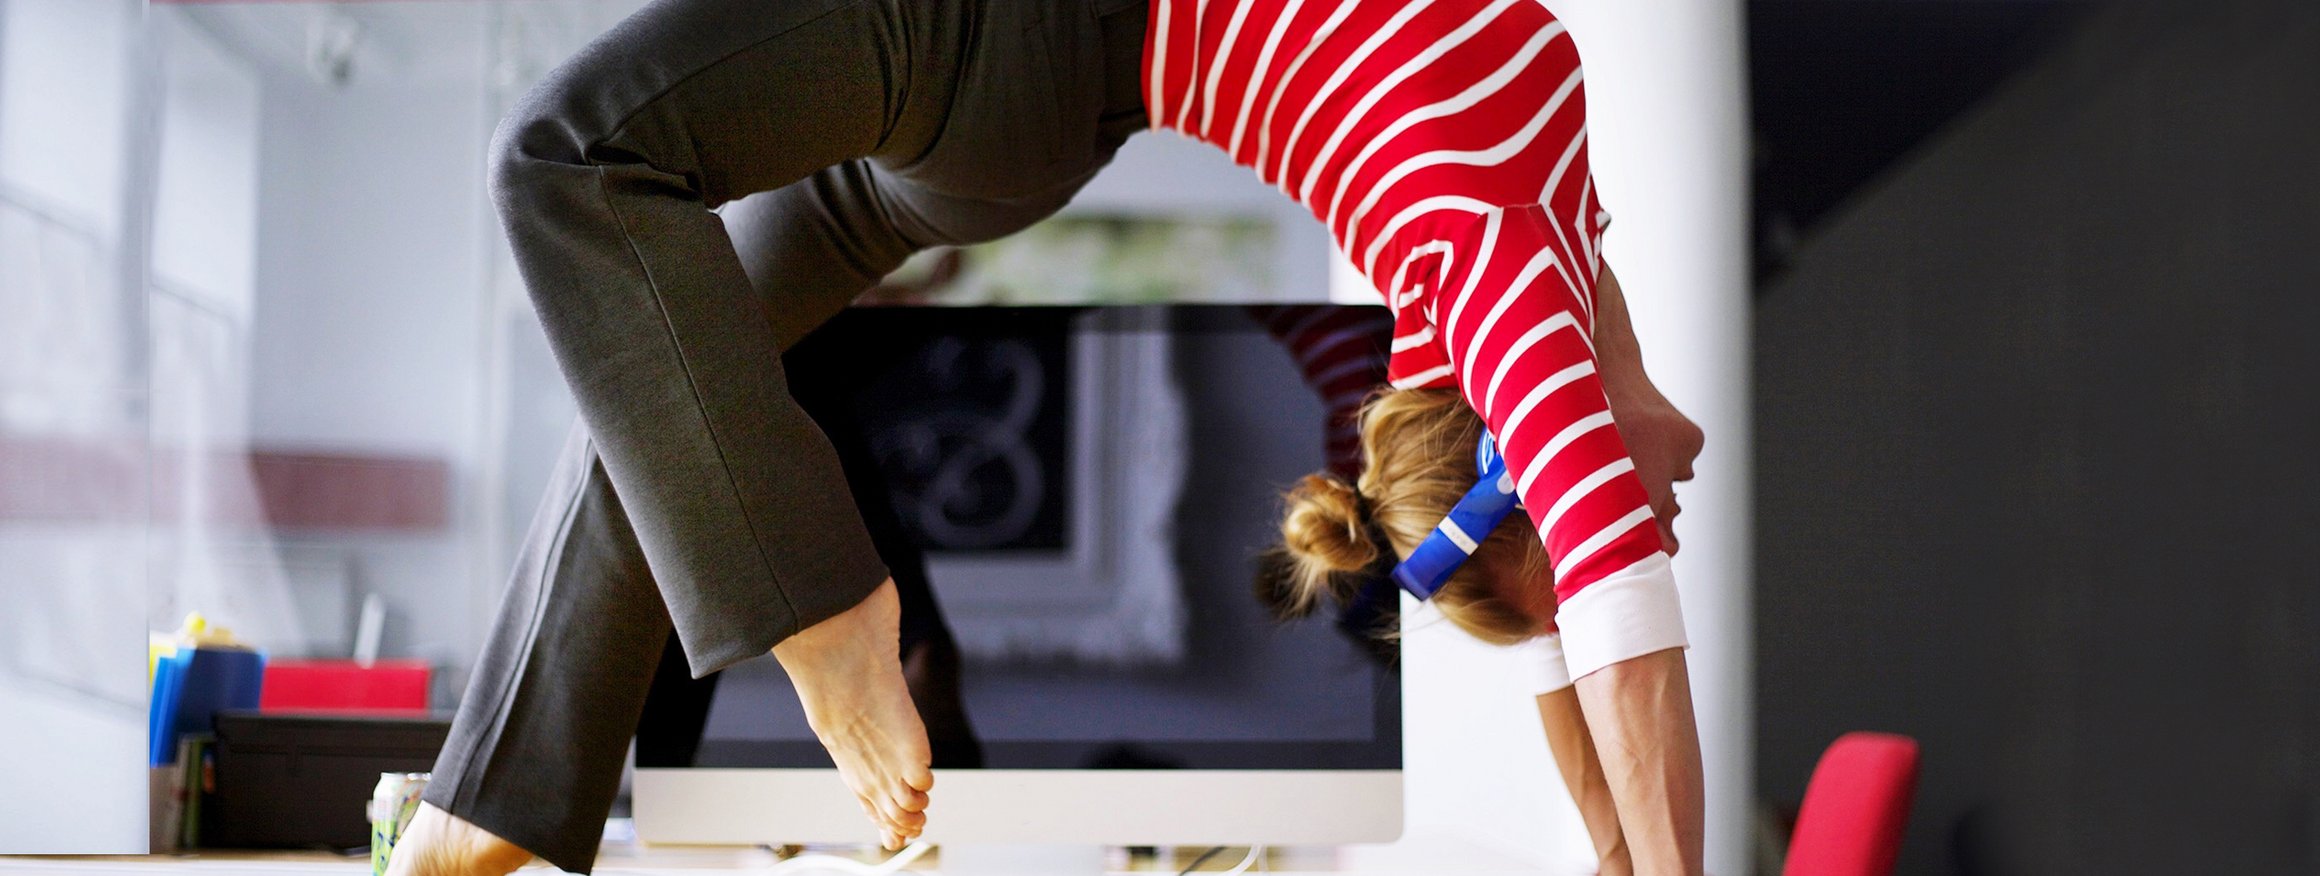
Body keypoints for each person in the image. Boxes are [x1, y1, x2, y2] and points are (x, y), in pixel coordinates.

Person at [388, 0, 1708, 873]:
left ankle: (818, 603)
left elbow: (1604, 611)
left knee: (566, 160)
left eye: (1605, 519)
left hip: (1011, 36)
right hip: (1040, 105)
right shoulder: (1510, 255)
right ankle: (485, 808)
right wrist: (1616, 849)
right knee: (672, 358)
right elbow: (1568, 620)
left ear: (1529, 459)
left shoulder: (1489, 267)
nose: (1662, 522)